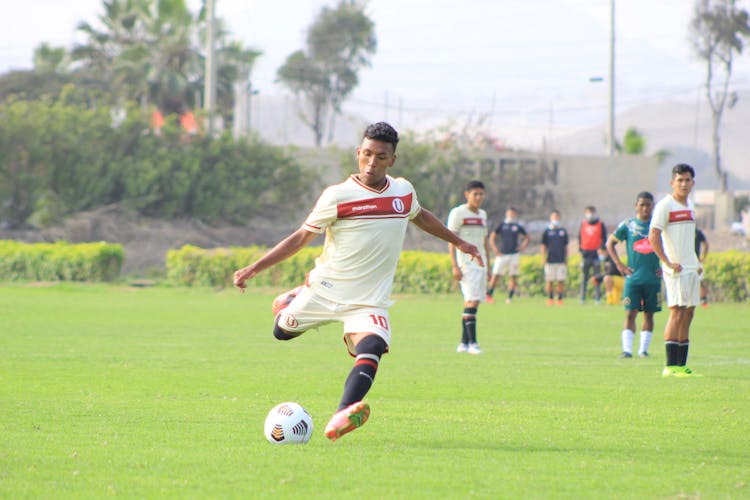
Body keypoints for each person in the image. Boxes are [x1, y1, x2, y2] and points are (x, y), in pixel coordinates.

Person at [233, 122, 483, 440]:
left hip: (368, 300)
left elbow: (421, 216)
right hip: (325, 290)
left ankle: (341, 416)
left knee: (374, 345)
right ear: (358, 153)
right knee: (281, 331)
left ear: (392, 159)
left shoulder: (403, 191)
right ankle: (292, 300)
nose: (371, 162)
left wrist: (460, 242)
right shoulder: (338, 196)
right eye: (366, 154)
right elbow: (300, 238)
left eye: (380, 156)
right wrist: (254, 268)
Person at [648, 163, 702, 377]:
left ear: (693, 183)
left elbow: (690, 238)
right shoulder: (665, 205)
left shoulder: (690, 206)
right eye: (680, 180)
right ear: (672, 182)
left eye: (687, 180)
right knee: (676, 311)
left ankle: (682, 365)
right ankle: (670, 366)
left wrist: (697, 262)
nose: (684, 184)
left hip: (691, 267)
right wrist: (668, 262)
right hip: (676, 269)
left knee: (689, 312)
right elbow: (653, 237)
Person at [606, 192, 662, 359]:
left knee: (649, 314)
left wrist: (666, 266)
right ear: (636, 206)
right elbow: (610, 243)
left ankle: (643, 351)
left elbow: (671, 246)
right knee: (630, 313)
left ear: (653, 206)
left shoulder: (658, 226)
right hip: (633, 279)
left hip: (653, 279)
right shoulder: (629, 225)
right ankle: (627, 350)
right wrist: (619, 265)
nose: (645, 208)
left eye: (648, 205)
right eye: (642, 204)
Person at [447, 180, 492, 355]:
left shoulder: (483, 215)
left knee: (473, 301)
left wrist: (488, 265)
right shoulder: (458, 213)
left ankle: (464, 343)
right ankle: (473, 342)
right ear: (467, 195)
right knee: (472, 300)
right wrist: (454, 266)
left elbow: (485, 240)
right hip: (466, 263)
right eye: (475, 194)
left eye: (481, 194)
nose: (479, 197)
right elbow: (451, 239)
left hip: (481, 264)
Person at [486, 207, 530, 304]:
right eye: (509, 213)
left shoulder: (517, 226)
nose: (511, 215)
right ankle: (489, 295)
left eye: (513, 214)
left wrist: (522, 247)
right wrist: (495, 249)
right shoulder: (502, 225)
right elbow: (492, 237)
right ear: (506, 214)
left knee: (513, 276)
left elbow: (527, 237)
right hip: (502, 254)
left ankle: (509, 297)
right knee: (496, 275)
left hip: (514, 254)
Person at [578, 206, 607, 304]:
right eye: (588, 212)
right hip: (585, 254)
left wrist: (602, 250)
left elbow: (604, 238)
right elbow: (580, 238)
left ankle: (597, 298)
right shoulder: (583, 224)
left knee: (597, 277)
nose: (590, 214)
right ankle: (582, 298)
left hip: (596, 254)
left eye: (591, 212)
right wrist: (580, 251)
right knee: (584, 277)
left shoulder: (600, 224)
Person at [541, 210, 569, 306]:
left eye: (557, 217)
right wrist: (543, 258)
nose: (555, 219)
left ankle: (560, 299)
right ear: (551, 218)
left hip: (560, 259)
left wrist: (566, 258)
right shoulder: (547, 231)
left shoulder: (562, 231)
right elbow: (543, 246)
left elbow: (566, 246)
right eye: (554, 217)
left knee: (560, 280)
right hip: (550, 259)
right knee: (550, 280)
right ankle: (550, 298)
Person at [695, 228, 709, 307]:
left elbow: (706, 244)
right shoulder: (697, 231)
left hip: (693, 261)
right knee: (700, 281)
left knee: (699, 281)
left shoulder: (696, 232)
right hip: (696, 261)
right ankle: (704, 300)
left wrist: (703, 257)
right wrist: (703, 257)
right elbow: (706, 244)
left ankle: (704, 300)